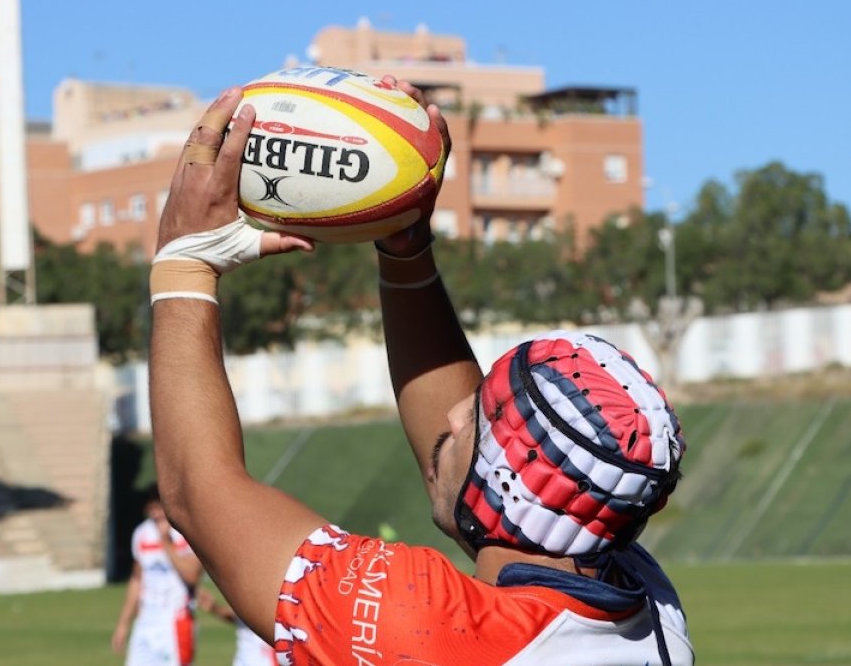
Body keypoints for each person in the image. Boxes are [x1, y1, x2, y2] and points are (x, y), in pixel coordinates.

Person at [148, 75, 694, 664]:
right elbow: (498, 506)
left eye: (483, 419)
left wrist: (186, 261)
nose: (458, 410)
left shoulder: (427, 628)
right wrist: (405, 249)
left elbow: (197, 493)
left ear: (506, 492)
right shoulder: (645, 605)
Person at [112, 486, 205, 666]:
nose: (156, 513)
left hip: (175, 621)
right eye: (151, 508)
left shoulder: (184, 532)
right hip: (146, 621)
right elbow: (137, 579)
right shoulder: (141, 533)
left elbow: (192, 575)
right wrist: (123, 623)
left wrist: (166, 542)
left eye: (159, 507)